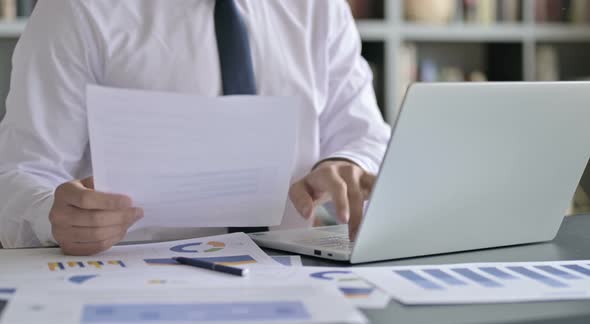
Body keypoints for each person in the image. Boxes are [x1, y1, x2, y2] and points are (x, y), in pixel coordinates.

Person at [0, 0, 390, 255]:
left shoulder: (319, 7)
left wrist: (346, 161)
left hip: (293, 269)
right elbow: (20, 174)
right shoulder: (76, 9)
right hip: (131, 275)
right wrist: (52, 213)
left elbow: (365, 134)